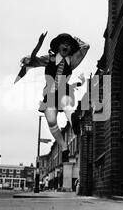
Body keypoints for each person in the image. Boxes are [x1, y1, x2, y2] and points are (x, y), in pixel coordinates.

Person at [21, 32, 90, 163]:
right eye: (64, 43)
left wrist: (77, 40)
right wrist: (33, 51)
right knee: (51, 120)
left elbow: (86, 46)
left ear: (71, 49)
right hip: (50, 95)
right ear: (58, 46)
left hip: (64, 91)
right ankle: (64, 147)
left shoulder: (72, 61)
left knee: (66, 103)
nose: (66, 46)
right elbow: (33, 60)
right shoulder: (49, 59)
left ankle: (73, 119)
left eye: (69, 45)